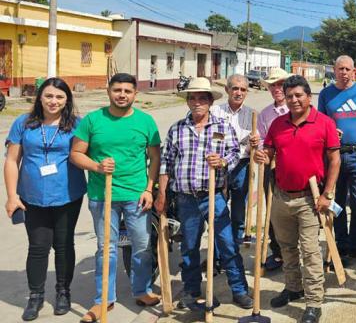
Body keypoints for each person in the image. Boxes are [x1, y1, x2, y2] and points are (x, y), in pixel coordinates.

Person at [70, 73, 162, 323]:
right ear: (108, 91)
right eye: (117, 90)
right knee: (106, 249)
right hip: (103, 196)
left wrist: (148, 188)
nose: (122, 94)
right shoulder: (92, 120)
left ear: (135, 94)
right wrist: (96, 166)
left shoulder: (146, 121)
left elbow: (155, 157)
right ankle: (103, 300)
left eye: (127, 91)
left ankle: (141, 290)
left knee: (142, 246)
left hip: (136, 195)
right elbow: (76, 154)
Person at [156, 77, 254, 310]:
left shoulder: (222, 128)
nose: (197, 102)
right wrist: (162, 194)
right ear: (187, 101)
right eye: (193, 98)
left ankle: (239, 290)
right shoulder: (177, 129)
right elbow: (166, 163)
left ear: (210, 101)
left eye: (202, 98)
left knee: (227, 243)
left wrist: (222, 162)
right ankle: (191, 291)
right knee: (189, 247)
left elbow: (233, 153)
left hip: (213, 197)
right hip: (186, 198)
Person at [254, 75, 340, 323]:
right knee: (286, 248)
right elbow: (270, 151)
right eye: (289, 96)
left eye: (298, 95)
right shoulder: (278, 124)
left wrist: (328, 194)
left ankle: (313, 302)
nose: (294, 100)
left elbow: (335, 160)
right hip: (281, 196)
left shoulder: (324, 123)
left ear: (308, 97)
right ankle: (293, 288)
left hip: (310, 199)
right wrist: (263, 155)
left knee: (311, 251)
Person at [4, 78, 87, 321]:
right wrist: (11, 196)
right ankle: (36, 296)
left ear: (67, 100)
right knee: (38, 247)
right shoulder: (23, 123)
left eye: (60, 97)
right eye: (49, 96)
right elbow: (11, 160)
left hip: (68, 195)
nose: (54, 101)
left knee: (63, 245)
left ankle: (63, 292)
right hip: (32, 196)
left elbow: (89, 152)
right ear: (40, 97)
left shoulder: (76, 125)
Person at [317, 55, 356, 263]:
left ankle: (355, 245)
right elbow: (321, 122)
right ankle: (340, 246)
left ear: (354, 71)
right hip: (335, 156)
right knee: (337, 201)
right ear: (334, 70)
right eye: (340, 69)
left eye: (347, 69)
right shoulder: (326, 94)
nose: (343, 73)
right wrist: (331, 131)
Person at [210, 74, 259, 245]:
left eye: (243, 89)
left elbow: (258, 144)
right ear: (227, 90)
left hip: (242, 167)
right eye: (235, 88)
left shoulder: (252, 114)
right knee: (218, 210)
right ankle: (218, 255)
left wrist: (255, 143)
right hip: (219, 166)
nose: (238, 93)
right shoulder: (215, 111)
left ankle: (235, 249)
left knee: (239, 211)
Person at [256, 67, 293, 271]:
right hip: (272, 168)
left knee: (296, 209)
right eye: (273, 85)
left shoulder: (296, 107)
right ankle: (277, 252)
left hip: (294, 168)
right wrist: (262, 150)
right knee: (272, 209)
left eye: (280, 84)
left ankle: (294, 252)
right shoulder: (265, 114)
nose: (277, 89)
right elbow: (262, 139)